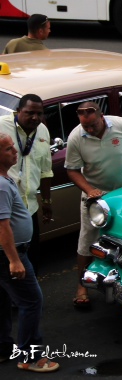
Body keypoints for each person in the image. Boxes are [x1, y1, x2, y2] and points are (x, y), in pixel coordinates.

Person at [64, 102, 122, 308]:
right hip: (96, 196)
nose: (90, 130)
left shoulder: (120, 125)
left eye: (93, 125)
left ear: (102, 117)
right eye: (86, 127)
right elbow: (72, 170)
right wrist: (89, 190)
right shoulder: (76, 137)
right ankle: (81, 285)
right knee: (87, 240)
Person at [0, 133, 59, 372]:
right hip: (10, 254)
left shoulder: (6, 179)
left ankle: (3, 348)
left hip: (6, 254)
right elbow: (2, 226)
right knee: (32, 302)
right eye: (8, 149)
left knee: (2, 301)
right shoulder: (1, 185)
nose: (15, 151)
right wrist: (14, 260)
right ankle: (30, 357)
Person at [0, 95, 53, 277]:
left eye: (39, 113)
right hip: (5, 206)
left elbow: (45, 170)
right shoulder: (2, 127)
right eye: (29, 113)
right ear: (18, 111)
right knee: (6, 262)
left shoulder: (42, 131)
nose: (35, 118)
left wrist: (46, 201)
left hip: (29, 207)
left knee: (31, 259)